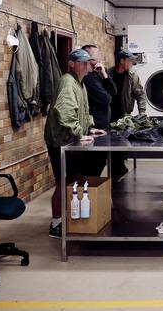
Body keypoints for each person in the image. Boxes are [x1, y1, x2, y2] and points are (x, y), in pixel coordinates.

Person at [44, 49, 106, 238]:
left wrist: (89, 128)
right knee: (63, 183)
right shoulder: (67, 82)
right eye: (84, 63)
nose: (88, 66)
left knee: (75, 180)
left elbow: (83, 110)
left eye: (89, 63)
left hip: (71, 142)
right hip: (61, 142)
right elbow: (64, 111)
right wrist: (79, 133)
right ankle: (56, 224)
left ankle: (72, 220)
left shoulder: (80, 84)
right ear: (72, 64)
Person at [107, 48, 147, 181]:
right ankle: (116, 172)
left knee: (121, 143)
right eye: (129, 60)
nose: (132, 63)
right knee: (110, 144)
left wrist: (142, 113)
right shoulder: (109, 73)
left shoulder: (132, 76)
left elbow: (140, 95)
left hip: (124, 115)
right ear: (121, 61)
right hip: (108, 114)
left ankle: (118, 171)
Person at [81, 44, 116, 176]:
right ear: (88, 60)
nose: (99, 61)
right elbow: (106, 99)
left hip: (102, 126)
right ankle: (88, 192)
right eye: (96, 59)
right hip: (94, 126)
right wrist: (107, 94)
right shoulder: (88, 78)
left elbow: (113, 91)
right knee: (94, 165)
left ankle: (91, 190)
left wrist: (105, 75)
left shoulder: (97, 74)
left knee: (100, 162)